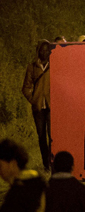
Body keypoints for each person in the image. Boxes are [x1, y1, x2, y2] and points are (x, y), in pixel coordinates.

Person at [22, 40, 53, 170]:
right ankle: (46, 164)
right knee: (41, 137)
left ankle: (52, 162)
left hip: (52, 106)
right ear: (38, 51)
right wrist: (33, 99)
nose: (44, 52)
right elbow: (26, 87)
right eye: (42, 50)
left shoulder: (55, 65)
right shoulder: (32, 67)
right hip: (38, 107)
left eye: (47, 50)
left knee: (52, 136)